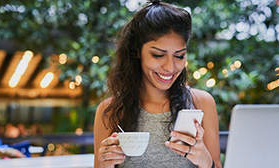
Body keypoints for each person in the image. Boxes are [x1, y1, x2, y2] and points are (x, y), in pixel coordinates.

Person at [94, 0, 222, 167]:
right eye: (158, 55)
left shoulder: (201, 103)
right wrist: (105, 164)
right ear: (137, 51)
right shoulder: (110, 110)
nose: (170, 67)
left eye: (179, 55)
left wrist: (205, 160)